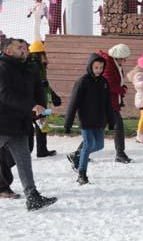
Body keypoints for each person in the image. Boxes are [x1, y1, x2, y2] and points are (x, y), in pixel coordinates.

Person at [0, 38, 57, 210]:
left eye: (25, 47)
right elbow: (4, 95)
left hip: (20, 125)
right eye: (19, 47)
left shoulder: (29, 68)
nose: (24, 50)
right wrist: (31, 106)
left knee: (24, 161)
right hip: (2, 123)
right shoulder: (2, 68)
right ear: (8, 51)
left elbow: (37, 94)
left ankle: (32, 197)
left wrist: (39, 115)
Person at [64, 54, 114, 185]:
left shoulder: (104, 82)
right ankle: (82, 174)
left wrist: (111, 120)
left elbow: (108, 103)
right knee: (87, 145)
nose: (98, 70)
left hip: (100, 120)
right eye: (96, 67)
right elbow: (73, 103)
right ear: (90, 66)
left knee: (99, 145)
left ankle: (76, 155)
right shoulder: (82, 82)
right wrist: (68, 123)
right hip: (85, 120)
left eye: (101, 67)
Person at [27, 41, 60, 157]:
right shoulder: (35, 67)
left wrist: (53, 94)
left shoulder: (39, 67)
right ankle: (41, 150)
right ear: (39, 54)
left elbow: (45, 84)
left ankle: (40, 149)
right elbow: (37, 84)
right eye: (43, 54)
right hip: (38, 103)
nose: (45, 57)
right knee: (41, 126)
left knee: (40, 126)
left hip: (39, 101)